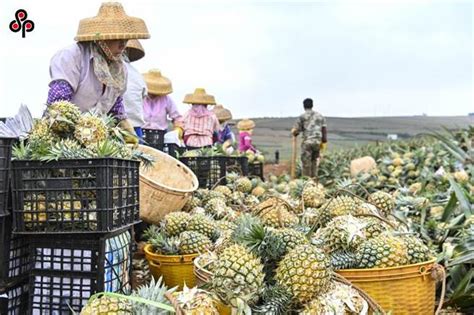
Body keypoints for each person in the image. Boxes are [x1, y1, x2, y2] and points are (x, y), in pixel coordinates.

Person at [46, 2, 150, 144]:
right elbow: (58, 104)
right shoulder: (71, 57)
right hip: (61, 138)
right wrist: (79, 131)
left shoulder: (120, 69)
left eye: (125, 39)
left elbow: (116, 106)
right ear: (101, 38)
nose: (123, 45)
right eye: (117, 39)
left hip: (95, 140)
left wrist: (128, 132)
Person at [291, 98, 328, 178]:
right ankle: (314, 181)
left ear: (304, 106)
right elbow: (324, 130)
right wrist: (324, 142)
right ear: (312, 105)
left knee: (306, 163)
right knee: (314, 162)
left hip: (307, 142)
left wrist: (294, 132)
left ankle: (306, 182)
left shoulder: (302, 117)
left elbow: (297, 131)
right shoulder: (320, 116)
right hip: (317, 142)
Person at [142, 69, 183, 137]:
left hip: (160, 135)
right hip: (141, 132)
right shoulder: (140, 98)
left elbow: (177, 117)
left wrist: (178, 129)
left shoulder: (166, 100)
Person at [123, 40, 147, 142]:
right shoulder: (137, 75)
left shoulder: (111, 69)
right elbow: (143, 96)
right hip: (136, 125)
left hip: (117, 126)